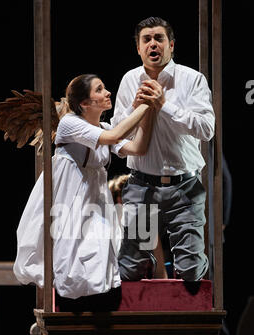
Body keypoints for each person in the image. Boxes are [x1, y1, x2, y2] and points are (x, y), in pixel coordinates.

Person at [13, 74, 156, 311]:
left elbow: (138, 148)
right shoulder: (70, 123)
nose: (107, 92)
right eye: (100, 89)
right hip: (71, 196)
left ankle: (93, 313)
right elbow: (114, 137)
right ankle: (73, 316)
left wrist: (148, 112)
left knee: (100, 250)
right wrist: (143, 105)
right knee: (74, 252)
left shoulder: (104, 126)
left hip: (94, 196)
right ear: (84, 103)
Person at [111, 17, 215, 283]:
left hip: (185, 188)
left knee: (191, 270)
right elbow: (117, 137)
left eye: (159, 38)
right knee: (130, 268)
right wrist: (136, 112)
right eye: (146, 40)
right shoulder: (129, 80)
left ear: (171, 45)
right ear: (138, 48)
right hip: (142, 186)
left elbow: (206, 129)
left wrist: (164, 105)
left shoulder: (193, 79)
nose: (153, 44)